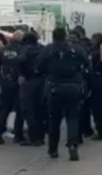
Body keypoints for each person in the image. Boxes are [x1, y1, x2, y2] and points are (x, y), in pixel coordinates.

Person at [37, 27, 90, 161]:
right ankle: (72, 145)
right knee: (72, 117)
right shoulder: (76, 49)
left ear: (53, 36)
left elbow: (38, 66)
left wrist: (48, 72)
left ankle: (53, 149)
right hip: (73, 86)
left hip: (54, 86)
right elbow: (87, 63)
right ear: (65, 36)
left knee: (54, 119)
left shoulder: (48, 50)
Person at [0, 30, 25, 145]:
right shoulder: (22, 49)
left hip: (5, 82)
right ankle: (18, 135)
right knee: (19, 109)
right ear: (21, 39)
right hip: (18, 82)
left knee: (4, 109)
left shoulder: (3, 50)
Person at [18, 31, 46, 147]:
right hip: (42, 81)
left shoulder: (25, 50)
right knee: (40, 110)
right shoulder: (42, 49)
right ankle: (41, 136)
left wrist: (22, 73)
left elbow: (20, 60)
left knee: (29, 110)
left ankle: (33, 137)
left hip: (29, 82)